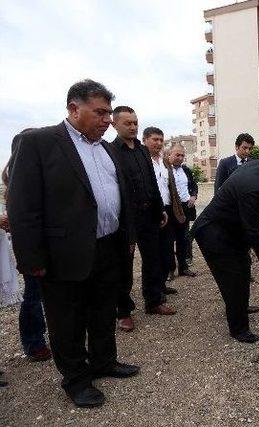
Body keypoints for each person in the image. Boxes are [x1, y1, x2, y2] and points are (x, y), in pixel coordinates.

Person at [7, 79, 139, 408]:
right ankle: (77, 380)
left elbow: (118, 196)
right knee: (67, 320)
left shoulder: (107, 148)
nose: (108, 120)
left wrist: (127, 237)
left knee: (103, 310)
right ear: (73, 109)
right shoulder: (38, 142)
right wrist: (30, 259)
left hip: (107, 246)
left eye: (110, 113)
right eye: (100, 112)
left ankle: (104, 361)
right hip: (62, 253)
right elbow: (22, 206)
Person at [192, 158, 259, 343]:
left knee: (244, 267)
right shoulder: (254, 188)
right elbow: (253, 230)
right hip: (213, 233)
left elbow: (249, 222)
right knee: (232, 278)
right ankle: (238, 328)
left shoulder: (258, 167)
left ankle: (241, 306)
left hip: (232, 230)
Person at [111, 106, 176, 333]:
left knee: (153, 260)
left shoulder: (141, 150)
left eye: (135, 123)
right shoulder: (110, 151)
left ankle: (154, 301)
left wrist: (160, 211)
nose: (132, 127)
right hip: (126, 219)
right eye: (127, 123)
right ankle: (124, 311)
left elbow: (152, 184)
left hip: (150, 216)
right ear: (114, 124)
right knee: (124, 266)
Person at [4, 138, 52, 362]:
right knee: (33, 294)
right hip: (31, 246)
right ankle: (34, 343)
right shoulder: (15, 179)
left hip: (52, 241)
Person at [143, 128, 185, 297]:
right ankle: (152, 294)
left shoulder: (163, 161)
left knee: (166, 251)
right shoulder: (143, 160)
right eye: (155, 139)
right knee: (152, 255)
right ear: (145, 140)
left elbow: (171, 189)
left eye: (161, 140)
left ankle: (161, 285)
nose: (159, 143)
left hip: (167, 210)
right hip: (151, 211)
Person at [167, 144, 198, 277]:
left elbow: (193, 185)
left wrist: (193, 196)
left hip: (185, 208)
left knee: (183, 239)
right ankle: (170, 269)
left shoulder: (185, 170)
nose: (180, 158)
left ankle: (183, 268)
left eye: (182, 155)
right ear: (169, 154)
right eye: (177, 155)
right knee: (168, 241)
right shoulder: (164, 169)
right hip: (170, 209)